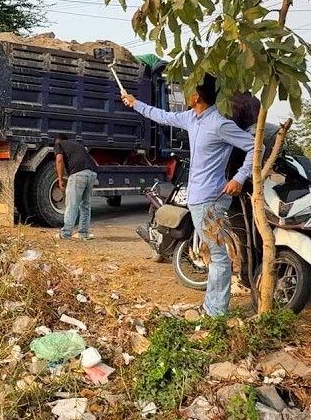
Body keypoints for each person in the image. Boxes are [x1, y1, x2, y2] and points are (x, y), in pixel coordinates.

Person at [122, 75, 256, 316]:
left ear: (196, 96)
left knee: (218, 256)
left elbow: (256, 146)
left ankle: (216, 312)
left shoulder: (219, 124)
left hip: (211, 199)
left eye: (188, 90)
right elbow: (162, 116)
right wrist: (135, 103)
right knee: (212, 253)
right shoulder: (191, 118)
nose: (185, 94)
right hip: (197, 197)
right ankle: (212, 307)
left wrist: (239, 178)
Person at [54, 133, 98, 241]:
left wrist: (60, 179)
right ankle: (83, 233)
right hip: (92, 173)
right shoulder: (77, 145)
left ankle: (66, 234)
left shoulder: (59, 144)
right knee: (85, 205)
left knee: (72, 204)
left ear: (58, 141)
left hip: (78, 174)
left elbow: (59, 160)